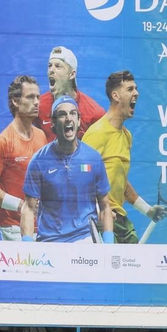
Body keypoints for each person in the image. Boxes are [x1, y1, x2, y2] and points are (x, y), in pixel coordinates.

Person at [83, 70, 167, 244]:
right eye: (130, 89)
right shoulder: (96, 133)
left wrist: (148, 211)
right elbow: (81, 177)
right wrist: (99, 210)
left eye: (136, 88)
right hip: (99, 219)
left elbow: (121, 183)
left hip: (120, 218)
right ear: (116, 96)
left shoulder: (127, 136)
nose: (136, 93)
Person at [21, 96, 114, 243]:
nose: (68, 118)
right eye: (62, 114)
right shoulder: (39, 161)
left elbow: (105, 205)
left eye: (72, 113)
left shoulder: (94, 158)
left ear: (78, 121)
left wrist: (108, 244)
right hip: (50, 241)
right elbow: (29, 208)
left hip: (85, 239)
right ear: (53, 123)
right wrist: (27, 244)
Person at [0, 75, 48, 240]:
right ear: (16, 101)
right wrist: (19, 205)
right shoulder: (3, 141)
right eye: (30, 97)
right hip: (13, 228)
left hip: (41, 225)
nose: (37, 102)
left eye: (38, 97)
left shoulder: (41, 136)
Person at [37, 46, 106, 139]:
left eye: (58, 66)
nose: (51, 70)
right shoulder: (38, 106)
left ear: (72, 74)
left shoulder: (94, 113)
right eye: (49, 65)